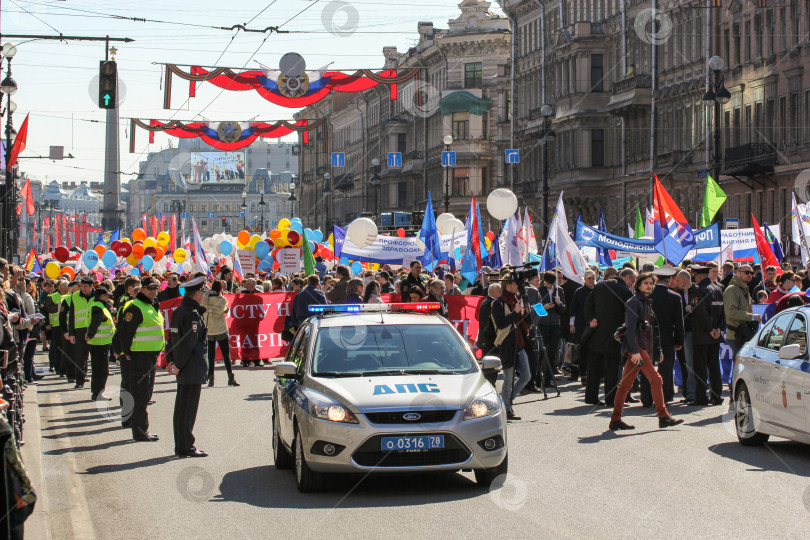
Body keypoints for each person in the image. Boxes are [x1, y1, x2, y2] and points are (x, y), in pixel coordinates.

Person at [610, 272, 684, 431]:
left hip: (641, 348)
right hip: (636, 348)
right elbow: (630, 328)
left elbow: (652, 330)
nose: (650, 286)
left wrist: (657, 351)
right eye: (646, 283)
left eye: (652, 283)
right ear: (638, 285)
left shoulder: (645, 301)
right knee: (656, 380)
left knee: (625, 385)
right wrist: (635, 351)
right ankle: (663, 416)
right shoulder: (634, 301)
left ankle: (615, 419)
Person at [116, 276, 165, 442]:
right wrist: (126, 352)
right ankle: (140, 431)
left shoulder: (151, 305)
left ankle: (141, 429)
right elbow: (125, 331)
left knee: (145, 394)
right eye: (150, 288)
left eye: (155, 288)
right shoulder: (135, 307)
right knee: (141, 395)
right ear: (142, 289)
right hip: (139, 355)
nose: (153, 291)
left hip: (150, 355)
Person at [167, 276, 209, 458]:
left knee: (182, 408)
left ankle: (183, 444)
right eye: (203, 292)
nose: (204, 295)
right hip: (190, 366)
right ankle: (186, 446)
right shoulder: (191, 314)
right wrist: (178, 364)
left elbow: (171, 339)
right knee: (187, 410)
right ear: (198, 294)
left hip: (185, 365)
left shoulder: (179, 311)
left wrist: (171, 361)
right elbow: (187, 343)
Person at [584, 267, 634, 407]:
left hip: (596, 333)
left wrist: (591, 319)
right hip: (615, 335)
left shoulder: (600, 285)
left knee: (594, 367)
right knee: (611, 369)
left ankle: (591, 397)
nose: (632, 284)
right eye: (632, 281)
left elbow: (588, 304)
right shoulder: (625, 291)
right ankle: (611, 399)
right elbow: (631, 312)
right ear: (627, 278)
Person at [643, 267, 684, 405]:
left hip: (647, 337)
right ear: (669, 280)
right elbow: (679, 321)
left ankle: (647, 398)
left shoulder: (646, 296)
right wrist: (679, 340)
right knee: (665, 369)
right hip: (666, 338)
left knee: (647, 368)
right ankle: (664, 396)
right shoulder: (675, 297)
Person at [492, 275, 531, 420]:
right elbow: (501, 323)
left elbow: (523, 323)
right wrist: (515, 312)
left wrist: (525, 314)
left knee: (526, 375)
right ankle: (507, 409)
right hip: (507, 344)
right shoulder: (498, 303)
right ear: (508, 285)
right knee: (508, 379)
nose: (517, 287)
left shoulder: (515, 300)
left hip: (519, 342)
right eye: (515, 284)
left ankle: (506, 402)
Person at [690, 265, 726, 406]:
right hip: (715, 335)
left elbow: (701, 313)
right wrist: (718, 328)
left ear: (699, 276)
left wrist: (711, 329)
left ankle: (701, 397)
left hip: (703, 335)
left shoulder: (700, 291)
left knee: (701, 367)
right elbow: (723, 312)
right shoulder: (718, 289)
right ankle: (717, 396)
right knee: (714, 366)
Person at [723, 264, 761, 397]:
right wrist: (751, 317)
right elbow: (731, 312)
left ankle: (738, 394)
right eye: (746, 272)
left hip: (743, 333)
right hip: (735, 334)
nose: (749, 275)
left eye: (751, 273)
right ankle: (735, 395)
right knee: (740, 366)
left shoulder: (743, 289)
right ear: (737, 273)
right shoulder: (733, 289)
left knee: (742, 365)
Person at [202, 280, 238, 387]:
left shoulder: (205, 299)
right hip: (221, 328)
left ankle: (211, 378)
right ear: (221, 289)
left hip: (209, 328)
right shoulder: (222, 300)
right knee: (226, 355)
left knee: (211, 355)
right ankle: (230, 377)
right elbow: (225, 311)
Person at [535, 271, 565, 386]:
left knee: (552, 352)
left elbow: (563, 310)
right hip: (543, 324)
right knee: (541, 352)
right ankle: (538, 379)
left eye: (552, 284)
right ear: (544, 281)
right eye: (548, 283)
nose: (550, 286)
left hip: (555, 324)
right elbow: (536, 309)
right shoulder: (540, 290)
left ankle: (548, 379)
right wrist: (544, 307)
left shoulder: (559, 291)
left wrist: (559, 303)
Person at [66, 276, 96, 389]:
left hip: (95, 330)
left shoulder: (97, 296)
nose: (83, 289)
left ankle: (96, 383)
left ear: (91, 286)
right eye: (82, 286)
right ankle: (79, 381)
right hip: (79, 330)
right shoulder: (74, 296)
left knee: (95, 358)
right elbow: (71, 316)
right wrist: (71, 333)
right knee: (79, 358)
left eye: (86, 287)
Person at [568, 270, 597, 385]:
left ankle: (593, 374)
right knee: (583, 350)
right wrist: (572, 324)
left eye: (593, 278)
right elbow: (573, 308)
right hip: (581, 324)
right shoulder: (579, 292)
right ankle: (583, 373)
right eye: (589, 278)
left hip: (595, 324)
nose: (591, 280)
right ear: (584, 279)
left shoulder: (597, 290)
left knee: (593, 350)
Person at [86, 287, 114, 401]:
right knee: (101, 370)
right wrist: (90, 334)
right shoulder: (98, 307)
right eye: (106, 295)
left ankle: (97, 392)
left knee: (99, 369)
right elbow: (95, 322)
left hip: (100, 342)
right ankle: (98, 393)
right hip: (99, 342)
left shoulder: (98, 305)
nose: (108, 297)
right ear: (101, 296)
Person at [675, 269, 698, 403]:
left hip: (694, 331)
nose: (675, 282)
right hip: (683, 331)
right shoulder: (678, 293)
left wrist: (693, 309)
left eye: (677, 280)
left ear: (684, 280)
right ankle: (689, 393)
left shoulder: (698, 291)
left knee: (692, 364)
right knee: (686, 363)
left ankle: (692, 393)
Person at [476, 283, 502, 386]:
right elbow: (487, 324)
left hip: (491, 340)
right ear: (492, 292)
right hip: (489, 340)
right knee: (491, 365)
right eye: (499, 291)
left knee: (494, 365)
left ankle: (491, 383)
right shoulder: (488, 304)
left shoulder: (492, 302)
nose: (501, 293)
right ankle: (489, 384)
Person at [44, 280, 64, 375]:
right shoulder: (52, 297)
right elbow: (47, 310)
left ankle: (63, 367)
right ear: (59, 287)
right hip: (55, 325)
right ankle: (54, 365)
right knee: (55, 347)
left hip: (66, 325)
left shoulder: (70, 296)